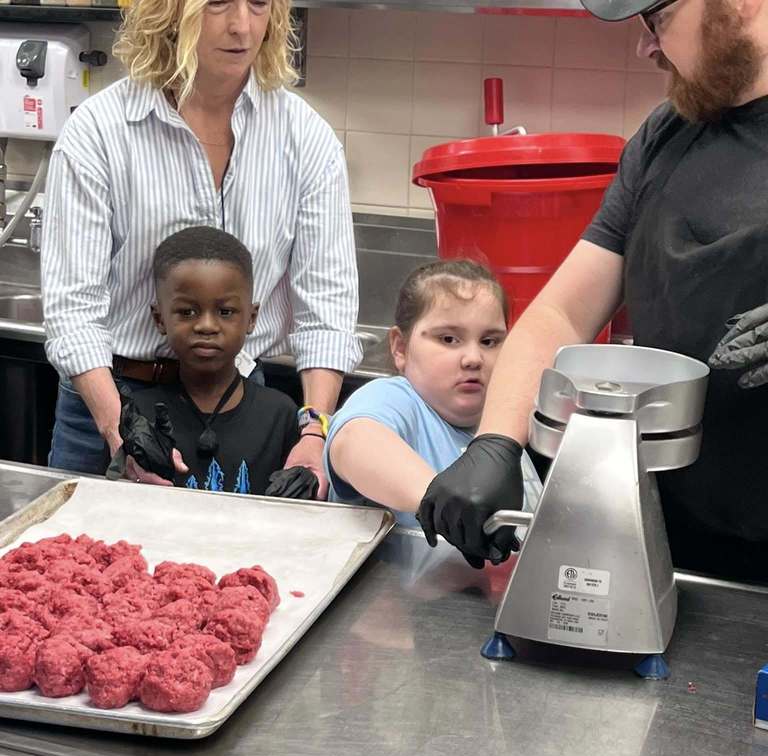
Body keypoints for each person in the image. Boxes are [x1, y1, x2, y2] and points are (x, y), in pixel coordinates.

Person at [417, 2, 768, 584]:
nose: (646, 46)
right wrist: (497, 442)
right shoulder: (665, 136)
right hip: (668, 541)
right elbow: (562, 311)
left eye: (656, 19)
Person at [42, 0, 358, 497]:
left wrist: (315, 432)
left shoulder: (306, 139)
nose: (242, 26)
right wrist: (118, 431)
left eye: (258, 4)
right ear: (169, 12)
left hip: (241, 406)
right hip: (112, 397)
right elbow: (72, 311)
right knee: (90, 549)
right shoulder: (99, 132)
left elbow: (327, 312)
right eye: (217, 4)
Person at [324, 261, 541, 559]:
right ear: (400, 347)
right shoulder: (396, 398)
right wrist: (445, 501)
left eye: (489, 341)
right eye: (448, 339)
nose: (473, 358)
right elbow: (354, 440)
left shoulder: (503, 426)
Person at [116, 225, 308, 495]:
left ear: (251, 318)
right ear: (159, 319)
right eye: (187, 312)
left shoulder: (280, 415)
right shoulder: (140, 415)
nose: (206, 326)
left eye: (225, 312)